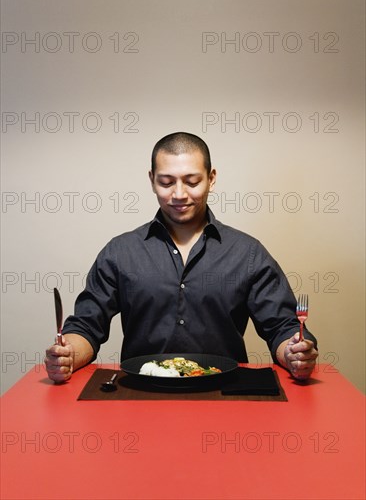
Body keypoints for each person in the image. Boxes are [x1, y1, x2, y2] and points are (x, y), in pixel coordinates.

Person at [45, 132, 318, 383]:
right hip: (140, 396)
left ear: (211, 178)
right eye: (166, 182)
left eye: (192, 181)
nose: (179, 194)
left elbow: (282, 327)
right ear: (152, 180)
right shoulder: (120, 252)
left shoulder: (247, 252)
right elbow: (86, 326)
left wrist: (294, 354)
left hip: (224, 397)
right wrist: (68, 355)